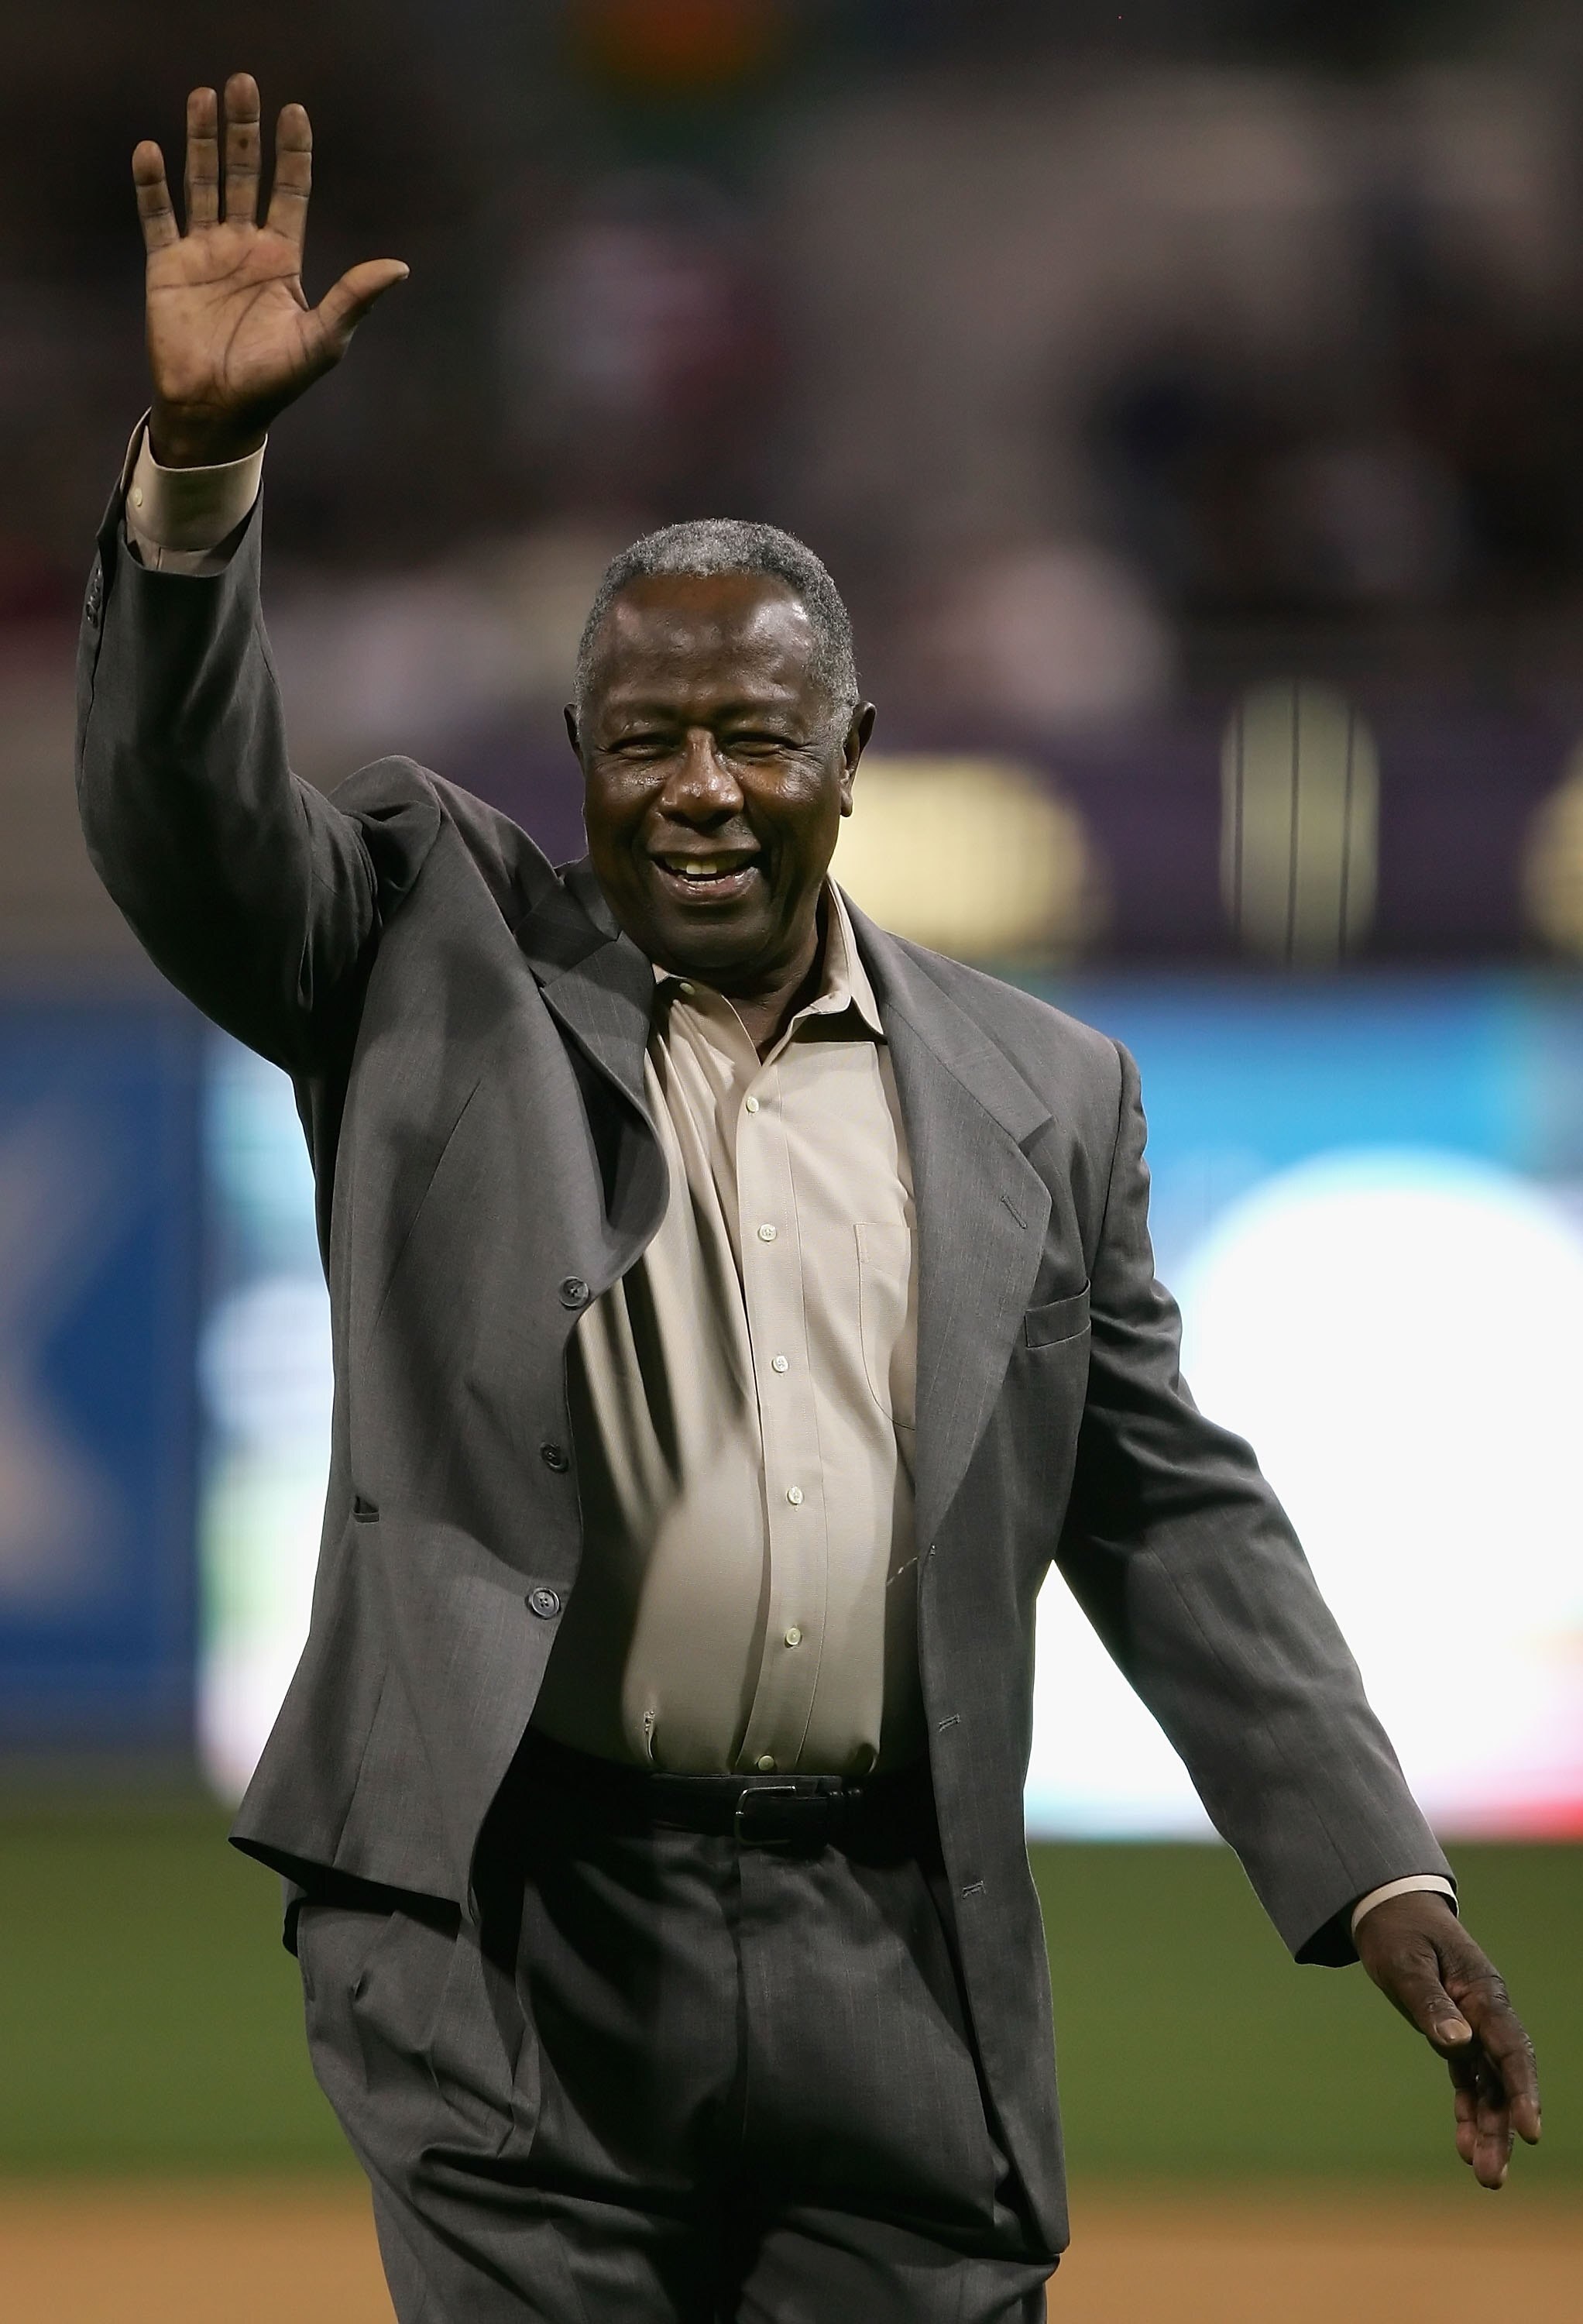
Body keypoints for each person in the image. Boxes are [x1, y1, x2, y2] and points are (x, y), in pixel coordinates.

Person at [78, 74, 1540, 2324]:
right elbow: (186, 833)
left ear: (848, 758)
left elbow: (1165, 1513)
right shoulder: (416, 955)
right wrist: (194, 485)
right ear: (573, 765)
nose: (693, 785)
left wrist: (1370, 1870)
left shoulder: (1042, 1093)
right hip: (516, 1939)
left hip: (893, 1943)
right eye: (641, 735)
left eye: (751, 735)